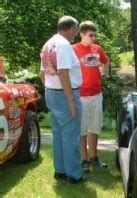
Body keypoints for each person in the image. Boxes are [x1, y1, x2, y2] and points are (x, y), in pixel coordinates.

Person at [39, 16, 84, 183]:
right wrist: (71, 101)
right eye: (76, 29)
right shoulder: (64, 45)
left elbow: (42, 73)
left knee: (58, 134)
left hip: (51, 93)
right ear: (71, 28)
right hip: (65, 95)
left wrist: (49, 90)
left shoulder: (48, 44)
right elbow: (64, 73)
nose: (77, 33)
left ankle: (60, 171)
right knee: (71, 136)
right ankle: (73, 175)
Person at [73, 21, 109, 172]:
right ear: (81, 34)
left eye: (95, 35)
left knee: (94, 127)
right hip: (81, 95)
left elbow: (106, 62)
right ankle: (83, 160)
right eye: (90, 35)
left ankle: (93, 158)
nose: (93, 38)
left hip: (97, 94)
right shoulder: (73, 49)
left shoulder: (97, 48)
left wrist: (103, 72)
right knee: (82, 129)